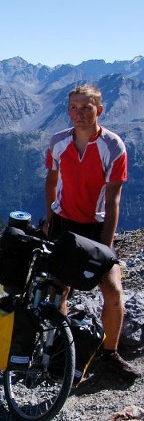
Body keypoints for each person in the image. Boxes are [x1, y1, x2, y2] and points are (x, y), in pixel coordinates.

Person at [43, 83, 140, 382]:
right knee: (58, 288)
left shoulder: (113, 146)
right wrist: (49, 220)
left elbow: (113, 201)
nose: (79, 114)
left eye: (86, 108)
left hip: (95, 226)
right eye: (73, 107)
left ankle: (109, 354)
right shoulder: (58, 142)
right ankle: (57, 345)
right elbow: (51, 181)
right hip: (63, 223)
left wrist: (105, 249)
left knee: (112, 291)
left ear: (100, 109)